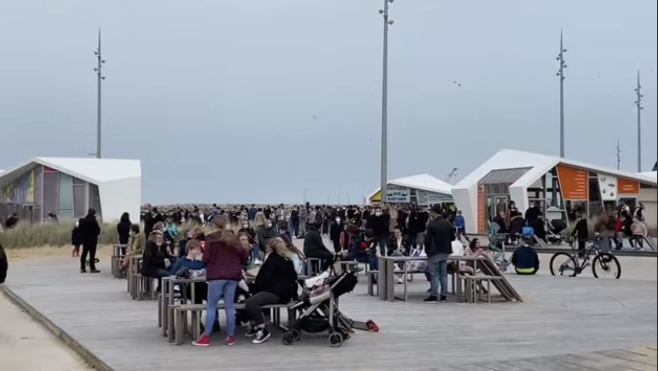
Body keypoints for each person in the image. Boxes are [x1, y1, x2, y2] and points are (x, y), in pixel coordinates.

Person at [193, 215, 248, 347]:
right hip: (232, 275)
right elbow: (243, 256)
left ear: (215, 224)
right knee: (229, 307)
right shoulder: (234, 239)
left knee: (212, 306)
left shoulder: (211, 239)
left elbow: (206, 259)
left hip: (216, 275)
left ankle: (206, 337)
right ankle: (231, 336)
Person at [244, 237, 298, 344]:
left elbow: (262, 278)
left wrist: (255, 287)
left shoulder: (271, 260)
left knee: (250, 302)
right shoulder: (288, 260)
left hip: (275, 293)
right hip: (286, 294)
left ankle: (261, 329)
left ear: (270, 248)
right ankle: (258, 326)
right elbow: (294, 277)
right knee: (253, 298)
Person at [424, 207, 454, 303]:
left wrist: (427, 250)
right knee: (443, 274)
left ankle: (434, 295)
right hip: (445, 251)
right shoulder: (448, 224)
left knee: (434, 275)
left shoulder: (431, 225)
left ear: (433, 213)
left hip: (434, 252)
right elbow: (452, 237)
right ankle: (444, 296)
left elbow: (427, 240)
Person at [78, 208, 101, 273]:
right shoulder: (94, 221)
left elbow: (79, 230)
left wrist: (82, 238)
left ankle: (82, 267)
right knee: (92, 254)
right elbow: (98, 230)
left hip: (85, 240)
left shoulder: (81, 221)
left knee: (84, 254)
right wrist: (95, 235)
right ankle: (92, 267)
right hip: (93, 240)